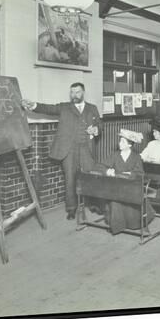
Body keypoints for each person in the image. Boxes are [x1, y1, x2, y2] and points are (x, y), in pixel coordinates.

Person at [22, 82, 101, 220]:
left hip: (86, 149)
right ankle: (71, 208)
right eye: (72, 92)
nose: (74, 95)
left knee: (91, 176)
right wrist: (33, 105)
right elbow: (48, 108)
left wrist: (96, 129)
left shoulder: (92, 108)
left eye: (77, 92)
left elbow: (100, 124)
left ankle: (93, 203)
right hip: (68, 150)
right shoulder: (64, 107)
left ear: (83, 93)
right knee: (70, 179)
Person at [95, 129, 155, 235]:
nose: (119, 143)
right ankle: (117, 225)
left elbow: (140, 173)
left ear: (130, 145)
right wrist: (107, 170)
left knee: (130, 197)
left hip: (131, 187)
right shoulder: (115, 155)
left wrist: (130, 175)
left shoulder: (136, 157)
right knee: (115, 197)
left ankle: (132, 223)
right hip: (117, 186)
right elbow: (99, 166)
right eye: (120, 141)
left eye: (122, 142)